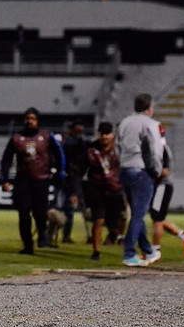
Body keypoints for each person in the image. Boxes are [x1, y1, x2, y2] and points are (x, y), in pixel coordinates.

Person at [0, 108, 65, 255]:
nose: (29, 121)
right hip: (22, 181)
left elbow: (59, 155)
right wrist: (5, 179)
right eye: (27, 118)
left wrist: (59, 174)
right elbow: (6, 158)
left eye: (33, 118)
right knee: (23, 213)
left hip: (41, 181)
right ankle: (27, 245)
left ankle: (42, 231)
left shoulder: (46, 136)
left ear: (37, 120)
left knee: (40, 213)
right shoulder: (17, 138)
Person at [116, 93, 162, 267]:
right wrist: (155, 171)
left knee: (137, 212)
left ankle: (148, 251)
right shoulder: (151, 124)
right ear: (149, 107)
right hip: (141, 170)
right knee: (139, 213)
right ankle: (129, 253)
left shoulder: (124, 122)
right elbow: (154, 149)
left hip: (125, 169)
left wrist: (123, 163)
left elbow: (117, 146)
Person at [149, 124, 184, 258]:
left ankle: (155, 251)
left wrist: (148, 172)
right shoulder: (161, 148)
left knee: (157, 219)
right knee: (158, 218)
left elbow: (164, 171)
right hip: (161, 186)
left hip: (162, 185)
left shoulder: (161, 149)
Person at [84, 122, 126, 261]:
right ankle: (96, 252)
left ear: (112, 135)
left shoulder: (119, 150)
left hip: (115, 191)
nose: (104, 136)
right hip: (98, 191)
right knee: (98, 221)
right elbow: (83, 169)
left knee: (116, 224)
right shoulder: (91, 150)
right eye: (102, 133)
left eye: (107, 133)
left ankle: (116, 235)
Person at [59, 120, 88, 243]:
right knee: (65, 208)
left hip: (74, 178)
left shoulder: (75, 143)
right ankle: (63, 235)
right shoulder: (70, 143)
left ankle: (64, 235)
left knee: (69, 209)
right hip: (68, 178)